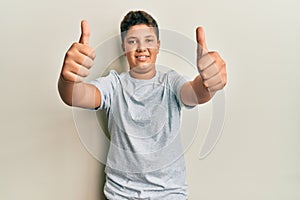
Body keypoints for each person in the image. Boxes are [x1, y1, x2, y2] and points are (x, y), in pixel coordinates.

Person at [58, 10, 226, 200]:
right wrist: (68, 80)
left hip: (169, 194)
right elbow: (76, 96)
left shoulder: (171, 82)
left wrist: (208, 84)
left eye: (148, 40)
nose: (141, 47)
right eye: (132, 41)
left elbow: (195, 93)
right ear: (123, 47)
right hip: (120, 194)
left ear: (158, 45)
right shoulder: (113, 84)